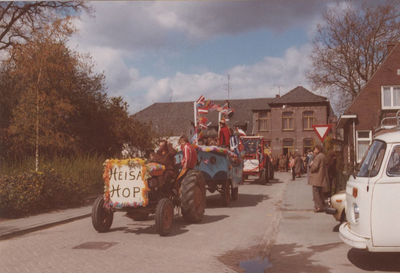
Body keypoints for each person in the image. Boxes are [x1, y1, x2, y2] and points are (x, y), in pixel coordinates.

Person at [308, 145, 329, 213]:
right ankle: (322, 204)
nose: (314, 150)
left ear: (318, 150)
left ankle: (318, 207)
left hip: (317, 177)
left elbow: (315, 167)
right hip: (321, 176)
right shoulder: (323, 156)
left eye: (315, 149)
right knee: (320, 192)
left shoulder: (318, 157)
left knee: (315, 192)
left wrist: (311, 166)